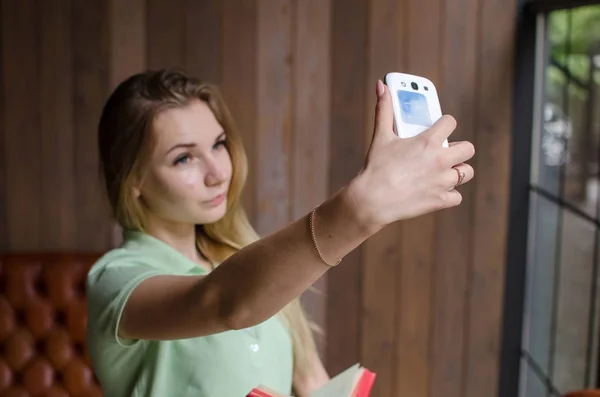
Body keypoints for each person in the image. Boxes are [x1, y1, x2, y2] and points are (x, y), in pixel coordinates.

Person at [85, 68, 475, 397]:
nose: (218, 172)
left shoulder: (248, 258)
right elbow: (223, 303)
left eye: (219, 145)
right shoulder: (115, 280)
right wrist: (361, 209)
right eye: (184, 157)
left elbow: (311, 382)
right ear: (133, 178)